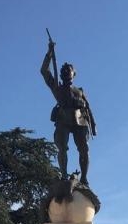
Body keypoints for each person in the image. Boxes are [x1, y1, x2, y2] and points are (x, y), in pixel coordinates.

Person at [41, 41, 96, 185]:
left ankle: (84, 177)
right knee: (62, 148)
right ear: (61, 74)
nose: (67, 72)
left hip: (80, 120)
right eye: (64, 71)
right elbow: (44, 71)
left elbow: (88, 108)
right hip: (63, 119)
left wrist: (93, 124)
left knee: (84, 149)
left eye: (69, 70)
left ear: (74, 73)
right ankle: (64, 175)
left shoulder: (80, 91)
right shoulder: (57, 88)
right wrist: (49, 53)